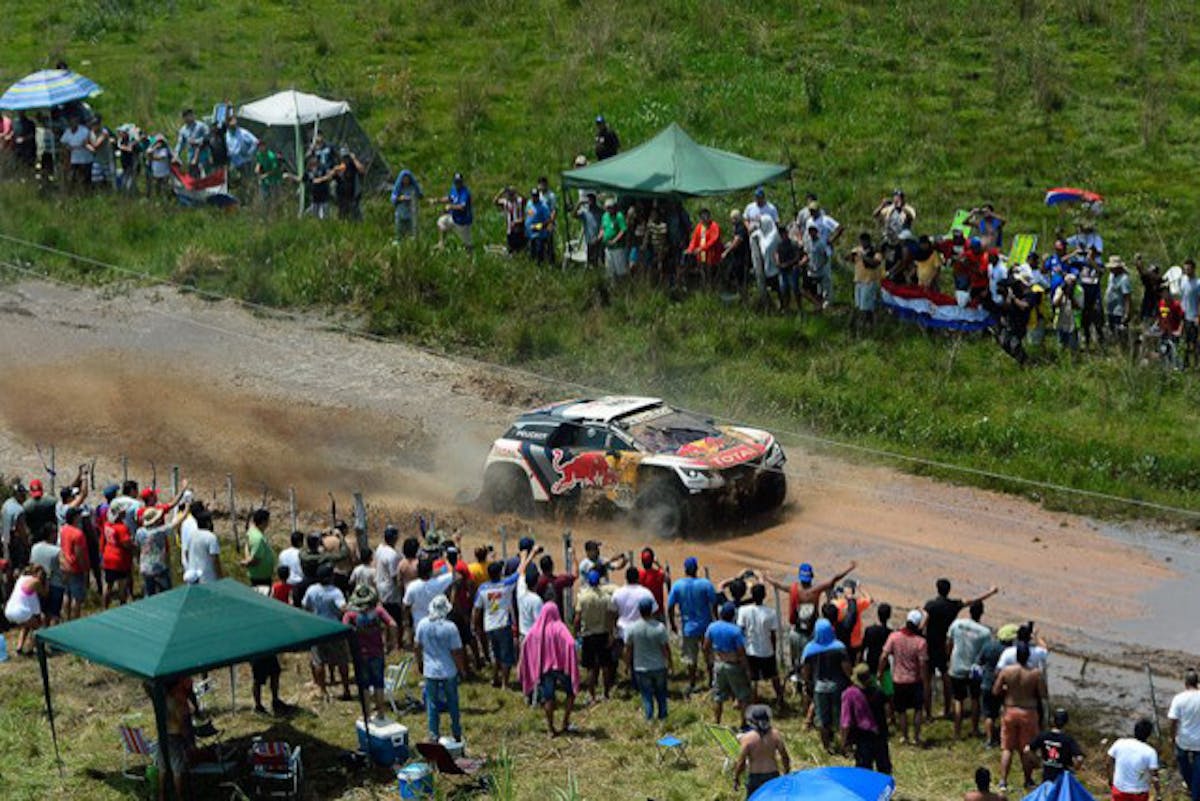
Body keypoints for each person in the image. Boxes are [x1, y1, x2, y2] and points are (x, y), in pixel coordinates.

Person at [766, 560, 854, 686]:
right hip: (810, 634)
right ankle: (809, 683)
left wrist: (767, 577)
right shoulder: (815, 590)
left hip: (795, 632)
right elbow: (834, 579)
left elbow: (778, 584)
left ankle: (798, 683)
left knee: (796, 661)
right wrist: (850, 568)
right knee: (810, 661)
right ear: (811, 576)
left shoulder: (793, 589)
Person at [924, 578, 998, 720]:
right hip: (945, 644)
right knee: (946, 678)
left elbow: (924, 622)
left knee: (927, 680)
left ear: (937, 589)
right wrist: (990, 592)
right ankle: (946, 710)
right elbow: (972, 601)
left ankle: (928, 713)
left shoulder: (930, 605)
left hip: (930, 645)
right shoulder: (953, 605)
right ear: (949, 590)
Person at [473, 550, 535, 689]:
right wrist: (526, 557)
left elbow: (476, 609)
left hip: (489, 626)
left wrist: (475, 626)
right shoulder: (506, 584)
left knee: (495, 654)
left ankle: (495, 678)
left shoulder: (482, 589)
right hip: (503, 624)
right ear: (500, 573)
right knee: (506, 655)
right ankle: (505, 684)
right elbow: (521, 570)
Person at [993, 642, 1049, 792]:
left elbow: (996, 690)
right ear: (1028, 656)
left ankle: (1003, 781)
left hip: (1010, 710)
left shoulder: (1006, 671)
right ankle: (1028, 780)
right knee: (1026, 748)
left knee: (1007, 748)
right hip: (1028, 712)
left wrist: (1006, 689)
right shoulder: (1035, 673)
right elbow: (1043, 694)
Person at [520, 602, 579, 737]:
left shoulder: (536, 629)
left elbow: (525, 643)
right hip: (561, 667)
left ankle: (550, 728)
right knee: (571, 693)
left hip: (544, 669)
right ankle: (565, 722)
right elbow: (571, 643)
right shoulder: (559, 627)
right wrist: (567, 656)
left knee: (548, 698)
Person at [343, 584, 398, 720]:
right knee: (379, 684)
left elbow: (344, 630)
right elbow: (393, 624)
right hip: (377, 652)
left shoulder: (351, 614)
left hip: (360, 654)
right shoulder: (378, 611)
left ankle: (366, 715)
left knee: (364, 686)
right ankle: (381, 713)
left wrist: (348, 649)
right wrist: (392, 642)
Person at [415, 594, 465, 742]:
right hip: (448, 670)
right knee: (453, 702)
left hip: (430, 670)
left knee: (432, 704)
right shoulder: (451, 627)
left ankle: (433, 734)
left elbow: (417, 646)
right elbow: (456, 652)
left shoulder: (423, 624)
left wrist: (419, 663)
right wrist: (461, 669)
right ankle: (456, 732)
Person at [303, 563, 352, 700]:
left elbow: (305, 605)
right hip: (334, 628)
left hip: (317, 628)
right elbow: (342, 607)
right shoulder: (335, 592)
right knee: (342, 660)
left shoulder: (312, 590)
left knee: (318, 660)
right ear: (330, 577)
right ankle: (346, 689)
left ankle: (323, 689)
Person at [667, 556, 717, 693]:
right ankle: (712, 681)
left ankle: (692, 683)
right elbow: (714, 602)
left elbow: (670, 606)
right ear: (696, 569)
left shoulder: (678, 585)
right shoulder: (706, 584)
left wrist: (672, 623)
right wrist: (716, 619)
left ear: (685, 570)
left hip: (688, 628)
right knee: (709, 655)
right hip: (706, 626)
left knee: (690, 658)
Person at [880, 609, 929, 745]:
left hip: (898, 679)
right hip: (914, 680)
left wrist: (880, 672)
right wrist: (925, 681)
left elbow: (884, 656)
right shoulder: (921, 642)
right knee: (918, 709)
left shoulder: (894, 637)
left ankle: (904, 736)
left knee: (901, 711)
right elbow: (923, 664)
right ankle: (916, 737)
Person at [802, 618, 851, 752]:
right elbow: (846, 667)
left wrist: (806, 683)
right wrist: (852, 680)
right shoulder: (839, 648)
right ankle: (843, 745)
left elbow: (806, 669)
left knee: (823, 719)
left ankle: (826, 747)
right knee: (840, 717)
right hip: (838, 687)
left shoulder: (810, 649)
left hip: (819, 688)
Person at [947, 600, 992, 740]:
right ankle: (974, 729)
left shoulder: (957, 624)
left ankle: (957, 732)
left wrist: (949, 658)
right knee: (975, 699)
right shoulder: (985, 632)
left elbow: (949, 642)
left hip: (957, 666)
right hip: (974, 669)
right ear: (981, 613)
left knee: (958, 699)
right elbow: (985, 653)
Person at [704, 601, 751, 724]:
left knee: (718, 696)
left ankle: (717, 722)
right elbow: (741, 652)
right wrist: (746, 668)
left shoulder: (712, 627)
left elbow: (706, 646)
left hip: (719, 663)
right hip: (734, 665)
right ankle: (744, 724)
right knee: (743, 696)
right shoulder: (736, 631)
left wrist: (709, 660)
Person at [625, 597, 671, 721]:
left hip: (641, 667)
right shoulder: (660, 627)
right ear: (651, 610)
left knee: (646, 695)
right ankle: (663, 717)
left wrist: (627, 665)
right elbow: (665, 648)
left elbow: (628, 649)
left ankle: (649, 718)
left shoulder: (633, 628)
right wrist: (670, 662)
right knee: (661, 694)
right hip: (658, 666)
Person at [738, 583, 784, 708]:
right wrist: (774, 649)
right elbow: (773, 635)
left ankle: (754, 702)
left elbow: (741, 630)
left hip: (751, 650)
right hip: (767, 650)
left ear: (751, 595)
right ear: (764, 596)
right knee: (774, 676)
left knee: (753, 679)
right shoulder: (771, 613)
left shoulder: (743, 610)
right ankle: (780, 699)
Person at [841, 663, 892, 774]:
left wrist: (844, 742)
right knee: (884, 770)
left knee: (863, 772)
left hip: (862, 737)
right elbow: (888, 712)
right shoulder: (879, 692)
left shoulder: (849, 694)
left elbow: (846, 722)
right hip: (880, 735)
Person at [575, 569, 617, 703]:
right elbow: (611, 616)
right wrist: (611, 633)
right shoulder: (606, 597)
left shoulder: (583, 597)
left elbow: (577, 618)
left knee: (590, 667)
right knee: (605, 665)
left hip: (588, 634)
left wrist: (576, 633)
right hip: (603, 633)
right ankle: (606, 694)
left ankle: (591, 694)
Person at [733, 704, 791, 800]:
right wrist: (787, 771)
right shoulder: (775, 735)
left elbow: (741, 762)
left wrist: (736, 777)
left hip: (755, 776)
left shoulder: (747, 738)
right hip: (773, 774)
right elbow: (785, 756)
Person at [1028, 708, 1085, 786]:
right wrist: (1076, 768)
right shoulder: (1068, 739)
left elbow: (1027, 750)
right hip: (1063, 780)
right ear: (1066, 722)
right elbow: (1079, 758)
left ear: (1053, 720)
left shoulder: (1043, 736)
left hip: (1047, 778)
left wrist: (1037, 762)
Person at [1107, 719, 1161, 801]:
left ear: (1135, 730)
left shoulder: (1119, 743)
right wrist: (1158, 793)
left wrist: (1111, 780)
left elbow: (1108, 762)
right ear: (1149, 734)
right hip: (1139, 793)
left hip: (1119, 790)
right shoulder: (1150, 752)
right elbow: (1154, 777)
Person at [1169, 669, 1200, 800]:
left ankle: (1191, 787)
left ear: (1185, 683)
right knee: (1198, 772)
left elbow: (1173, 721)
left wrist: (1172, 737)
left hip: (1183, 739)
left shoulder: (1179, 698)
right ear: (1197, 683)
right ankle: (1195, 791)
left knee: (1184, 765)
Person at [403, 557, 457, 633]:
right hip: (437, 624)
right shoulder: (438, 582)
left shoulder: (412, 586)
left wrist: (406, 622)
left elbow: (406, 606)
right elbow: (454, 575)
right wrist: (447, 561)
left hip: (419, 625)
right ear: (431, 571)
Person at [135, 507, 179, 597]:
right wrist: (186, 509)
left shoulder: (139, 532)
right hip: (158, 567)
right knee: (167, 593)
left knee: (149, 593)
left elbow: (137, 545)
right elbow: (175, 523)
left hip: (145, 567)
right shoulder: (159, 531)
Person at [5, 564, 46, 655]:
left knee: (26, 625)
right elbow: (44, 593)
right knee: (38, 628)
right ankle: (31, 649)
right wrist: (46, 582)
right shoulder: (36, 582)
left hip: (9, 610)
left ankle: (19, 647)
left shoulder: (22, 578)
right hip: (20, 612)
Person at [58, 507, 90, 621]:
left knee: (67, 594)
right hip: (75, 568)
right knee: (77, 598)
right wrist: (85, 569)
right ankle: (75, 619)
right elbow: (79, 554)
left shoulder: (64, 530)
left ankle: (66, 618)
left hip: (65, 566)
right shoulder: (78, 534)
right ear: (75, 517)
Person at [28, 523, 64, 625]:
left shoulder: (35, 547)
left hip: (40, 584)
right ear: (51, 534)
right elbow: (63, 567)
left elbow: (32, 565)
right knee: (54, 614)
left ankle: (44, 630)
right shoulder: (57, 551)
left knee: (43, 612)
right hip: (56, 584)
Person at [101, 504, 135, 607]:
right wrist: (134, 545)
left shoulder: (107, 524)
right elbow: (126, 544)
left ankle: (105, 606)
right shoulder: (122, 528)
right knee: (122, 585)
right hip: (120, 559)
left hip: (108, 557)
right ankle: (122, 606)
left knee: (108, 584)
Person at [434, 173, 473, 249]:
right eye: (456, 182)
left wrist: (451, 207)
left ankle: (470, 253)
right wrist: (438, 200)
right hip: (454, 217)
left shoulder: (465, 193)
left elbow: (462, 207)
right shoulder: (453, 189)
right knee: (441, 221)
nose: (457, 184)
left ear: (462, 182)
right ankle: (441, 243)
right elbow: (450, 198)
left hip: (463, 221)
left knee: (467, 244)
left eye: (459, 182)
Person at [183, 511, 222, 585]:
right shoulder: (211, 537)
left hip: (193, 578)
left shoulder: (191, 535)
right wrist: (220, 577)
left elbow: (186, 553)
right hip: (208, 579)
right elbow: (215, 560)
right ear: (208, 523)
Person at [241, 508, 274, 590]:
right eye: (267, 521)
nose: (268, 523)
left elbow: (247, 544)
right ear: (263, 522)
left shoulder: (252, 531)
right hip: (261, 577)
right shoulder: (258, 538)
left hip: (260, 575)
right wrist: (246, 563)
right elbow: (256, 560)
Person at [328, 147, 366, 221]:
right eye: (343, 157)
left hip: (352, 194)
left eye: (346, 157)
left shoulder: (352, 165)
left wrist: (354, 159)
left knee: (355, 215)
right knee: (342, 216)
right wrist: (335, 170)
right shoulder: (338, 165)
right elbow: (329, 177)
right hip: (341, 195)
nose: (345, 159)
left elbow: (362, 170)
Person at [685, 208, 723, 280]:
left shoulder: (714, 226)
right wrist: (690, 249)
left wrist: (702, 248)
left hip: (712, 255)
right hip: (701, 255)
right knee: (703, 272)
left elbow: (714, 240)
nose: (704, 218)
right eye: (702, 216)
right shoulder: (699, 227)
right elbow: (694, 240)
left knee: (712, 274)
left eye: (706, 216)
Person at [175, 108, 210, 176]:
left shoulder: (201, 126)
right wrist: (176, 154)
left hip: (203, 156)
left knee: (205, 175)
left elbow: (208, 136)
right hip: (191, 157)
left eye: (189, 116)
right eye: (184, 117)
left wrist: (197, 141)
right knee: (193, 176)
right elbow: (180, 143)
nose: (186, 118)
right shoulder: (183, 130)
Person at [223, 115, 258, 183]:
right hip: (234, 163)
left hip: (245, 162)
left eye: (234, 125)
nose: (232, 126)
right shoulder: (227, 134)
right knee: (237, 182)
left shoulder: (243, 133)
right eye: (230, 125)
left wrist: (249, 152)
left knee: (248, 180)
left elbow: (255, 142)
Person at [390, 169, 423, 241]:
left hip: (411, 212)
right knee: (399, 230)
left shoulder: (413, 187)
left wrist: (412, 197)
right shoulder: (398, 188)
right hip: (401, 212)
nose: (406, 181)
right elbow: (393, 198)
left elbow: (420, 195)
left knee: (412, 230)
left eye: (407, 179)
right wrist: (400, 198)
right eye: (404, 179)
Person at [60, 116, 93, 188]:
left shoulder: (84, 131)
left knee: (85, 179)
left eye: (74, 122)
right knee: (73, 178)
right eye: (71, 122)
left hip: (85, 160)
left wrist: (74, 147)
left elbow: (85, 143)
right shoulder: (67, 131)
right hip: (74, 160)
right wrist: (68, 147)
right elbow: (63, 142)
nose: (73, 124)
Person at [601, 198, 629, 280]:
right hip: (608, 247)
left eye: (610, 207)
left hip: (618, 248)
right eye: (607, 207)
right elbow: (602, 227)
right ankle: (612, 285)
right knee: (609, 270)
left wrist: (614, 240)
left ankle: (622, 285)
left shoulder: (619, 216)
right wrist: (600, 236)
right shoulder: (605, 216)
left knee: (620, 271)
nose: (608, 209)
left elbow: (623, 230)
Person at [494, 186, 527, 255]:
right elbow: (495, 201)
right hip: (510, 229)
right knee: (511, 248)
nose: (510, 197)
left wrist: (517, 191)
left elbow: (525, 199)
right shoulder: (505, 202)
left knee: (521, 248)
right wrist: (502, 191)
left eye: (512, 194)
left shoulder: (519, 201)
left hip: (519, 229)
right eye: (509, 195)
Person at [1180, 259, 1200, 369]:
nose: (1186, 271)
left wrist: (1198, 316)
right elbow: (1182, 296)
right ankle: (1185, 363)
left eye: (1188, 269)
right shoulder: (1183, 280)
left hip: (1194, 316)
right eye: (1185, 269)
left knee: (1194, 342)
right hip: (1184, 316)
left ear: (1193, 269)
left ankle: (1196, 364)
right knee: (1185, 341)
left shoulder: (1198, 283)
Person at [574, 192, 603, 267]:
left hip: (599, 240)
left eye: (591, 200)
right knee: (591, 263)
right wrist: (579, 204)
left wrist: (598, 237)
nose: (589, 202)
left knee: (599, 261)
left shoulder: (600, 211)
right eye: (588, 200)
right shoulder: (585, 212)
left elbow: (603, 226)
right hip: (589, 240)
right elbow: (574, 215)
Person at [277, 530, 305, 606]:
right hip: (298, 585)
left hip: (285, 583)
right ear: (300, 542)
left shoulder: (283, 553)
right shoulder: (301, 554)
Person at [525, 188, 552, 264]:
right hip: (529, 233)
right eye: (533, 196)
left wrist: (538, 227)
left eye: (536, 196)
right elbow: (528, 214)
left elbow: (548, 220)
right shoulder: (529, 203)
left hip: (539, 234)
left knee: (539, 254)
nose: (534, 198)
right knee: (531, 253)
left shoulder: (543, 206)